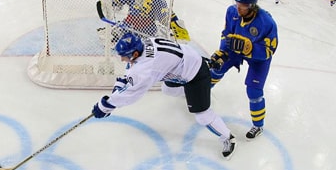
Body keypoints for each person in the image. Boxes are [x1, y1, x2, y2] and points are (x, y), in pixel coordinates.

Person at [92, 33, 237, 159]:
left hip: (195, 75)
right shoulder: (145, 43)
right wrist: (119, 89)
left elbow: (132, 94)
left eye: (125, 56)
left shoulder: (146, 68)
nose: (123, 60)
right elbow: (131, 75)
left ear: (135, 54)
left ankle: (228, 138)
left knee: (202, 115)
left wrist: (105, 106)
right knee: (167, 89)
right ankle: (195, 94)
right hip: (185, 62)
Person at [208, 0, 278, 140]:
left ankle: (258, 125)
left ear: (252, 6)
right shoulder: (232, 11)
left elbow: (270, 50)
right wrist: (222, 52)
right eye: (236, 3)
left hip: (258, 58)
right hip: (235, 50)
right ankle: (205, 90)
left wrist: (251, 49)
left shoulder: (267, 22)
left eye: (242, 6)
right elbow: (226, 34)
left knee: (254, 91)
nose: (238, 8)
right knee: (216, 68)